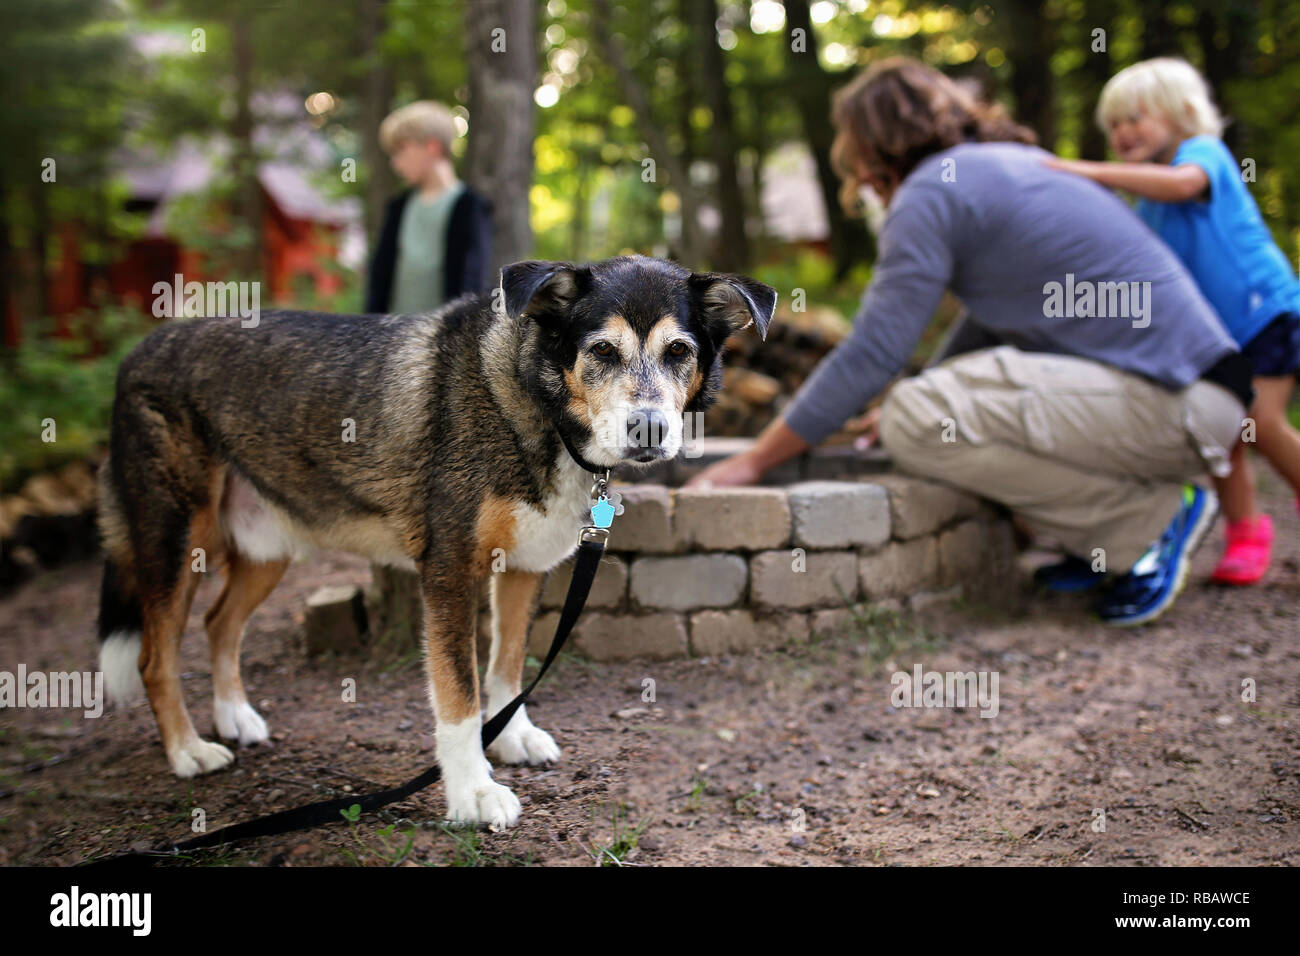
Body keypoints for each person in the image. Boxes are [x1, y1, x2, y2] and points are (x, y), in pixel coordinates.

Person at [685, 56, 1253, 627]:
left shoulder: (931, 194)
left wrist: (755, 462)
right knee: (916, 410)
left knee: (914, 420)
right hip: (1201, 398)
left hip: (1180, 402)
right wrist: (924, 394)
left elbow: (873, 351)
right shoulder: (1006, 167)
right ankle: (1107, 542)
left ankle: (1146, 525)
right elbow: (988, 323)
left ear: (870, 144)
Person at [1045, 57, 1300, 586]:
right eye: (1113, 126)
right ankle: (1246, 533)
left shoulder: (1201, 156)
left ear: (1182, 114)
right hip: (1216, 337)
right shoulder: (1147, 204)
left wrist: (1083, 170)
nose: (1121, 133)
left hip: (1264, 314)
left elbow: (1182, 185)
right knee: (1225, 435)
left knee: (1262, 422)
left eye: (1135, 118)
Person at [365, 100, 494, 314]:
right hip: (391, 336)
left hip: (443, 339)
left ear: (431, 147)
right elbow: (380, 278)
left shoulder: (470, 207)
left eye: (401, 151)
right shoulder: (398, 207)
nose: (395, 163)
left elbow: (471, 284)